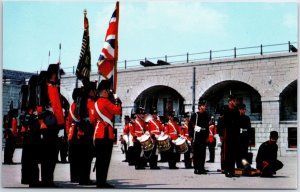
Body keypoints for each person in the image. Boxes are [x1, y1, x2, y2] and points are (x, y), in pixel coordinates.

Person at [37, 64, 66, 187]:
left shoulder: (54, 87)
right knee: (48, 156)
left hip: (55, 126)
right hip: (48, 126)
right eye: (58, 73)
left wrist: (61, 125)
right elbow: (40, 108)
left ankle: (49, 180)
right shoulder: (46, 87)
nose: (59, 76)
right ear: (54, 74)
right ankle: (46, 180)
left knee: (53, 156)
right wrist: (43, 122)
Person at [94, 80, 122, 188]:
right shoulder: (105, 102)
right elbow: (117, 110)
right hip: (106, 133)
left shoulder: (96, 102)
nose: (109, 92)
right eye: (108, 90)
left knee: (99, 159)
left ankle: (99, 181)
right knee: (105, 159)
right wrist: (116, 100)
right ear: (104, 91)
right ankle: (102, 182)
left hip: (98, 133)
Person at [217, 94, 240, 178]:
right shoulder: (224, 109)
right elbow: (220, 122)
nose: (235, 102)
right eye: (234, 101)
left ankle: (232, 170)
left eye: (235, 101)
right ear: (230, 101)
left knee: (233, 153)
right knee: (227, 153)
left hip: (234, 134)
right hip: (227, 133)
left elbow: (238, 124)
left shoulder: (236, 111)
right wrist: (221, 135)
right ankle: (227, 171)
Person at [188, 98, 210, 175]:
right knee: (196, 153)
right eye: (203, 106)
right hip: (196, 136)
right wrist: (191, 135)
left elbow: (207, 126)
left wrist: (207, 136)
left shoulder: (206, 115)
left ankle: (201, 168)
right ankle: (196, 168)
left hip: (203, 136)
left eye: (205, 106)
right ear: (199, 107)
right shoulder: (195, 115)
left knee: (202, 153)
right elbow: (191, 125)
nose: (204, 107)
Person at [66, 87, 82, 183]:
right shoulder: (78, 105)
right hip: (77, 131)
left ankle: (74, 177)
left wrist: (68, 132)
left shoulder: (71, 105)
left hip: (71, 132)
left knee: (73, 157)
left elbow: (67, 121)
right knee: (78, 156)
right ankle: (78, 176)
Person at [237, 104, 251, 168]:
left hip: (245, 137)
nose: (244, 111)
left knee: (245, 153)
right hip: (238, 137)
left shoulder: (247, 118)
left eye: (245, 109)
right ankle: (239, 166)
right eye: (243, 109)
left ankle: (245, 165)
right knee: (238, 153)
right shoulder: (236, 118)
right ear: (239, 110)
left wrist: (249, 138)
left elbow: (249, 129)